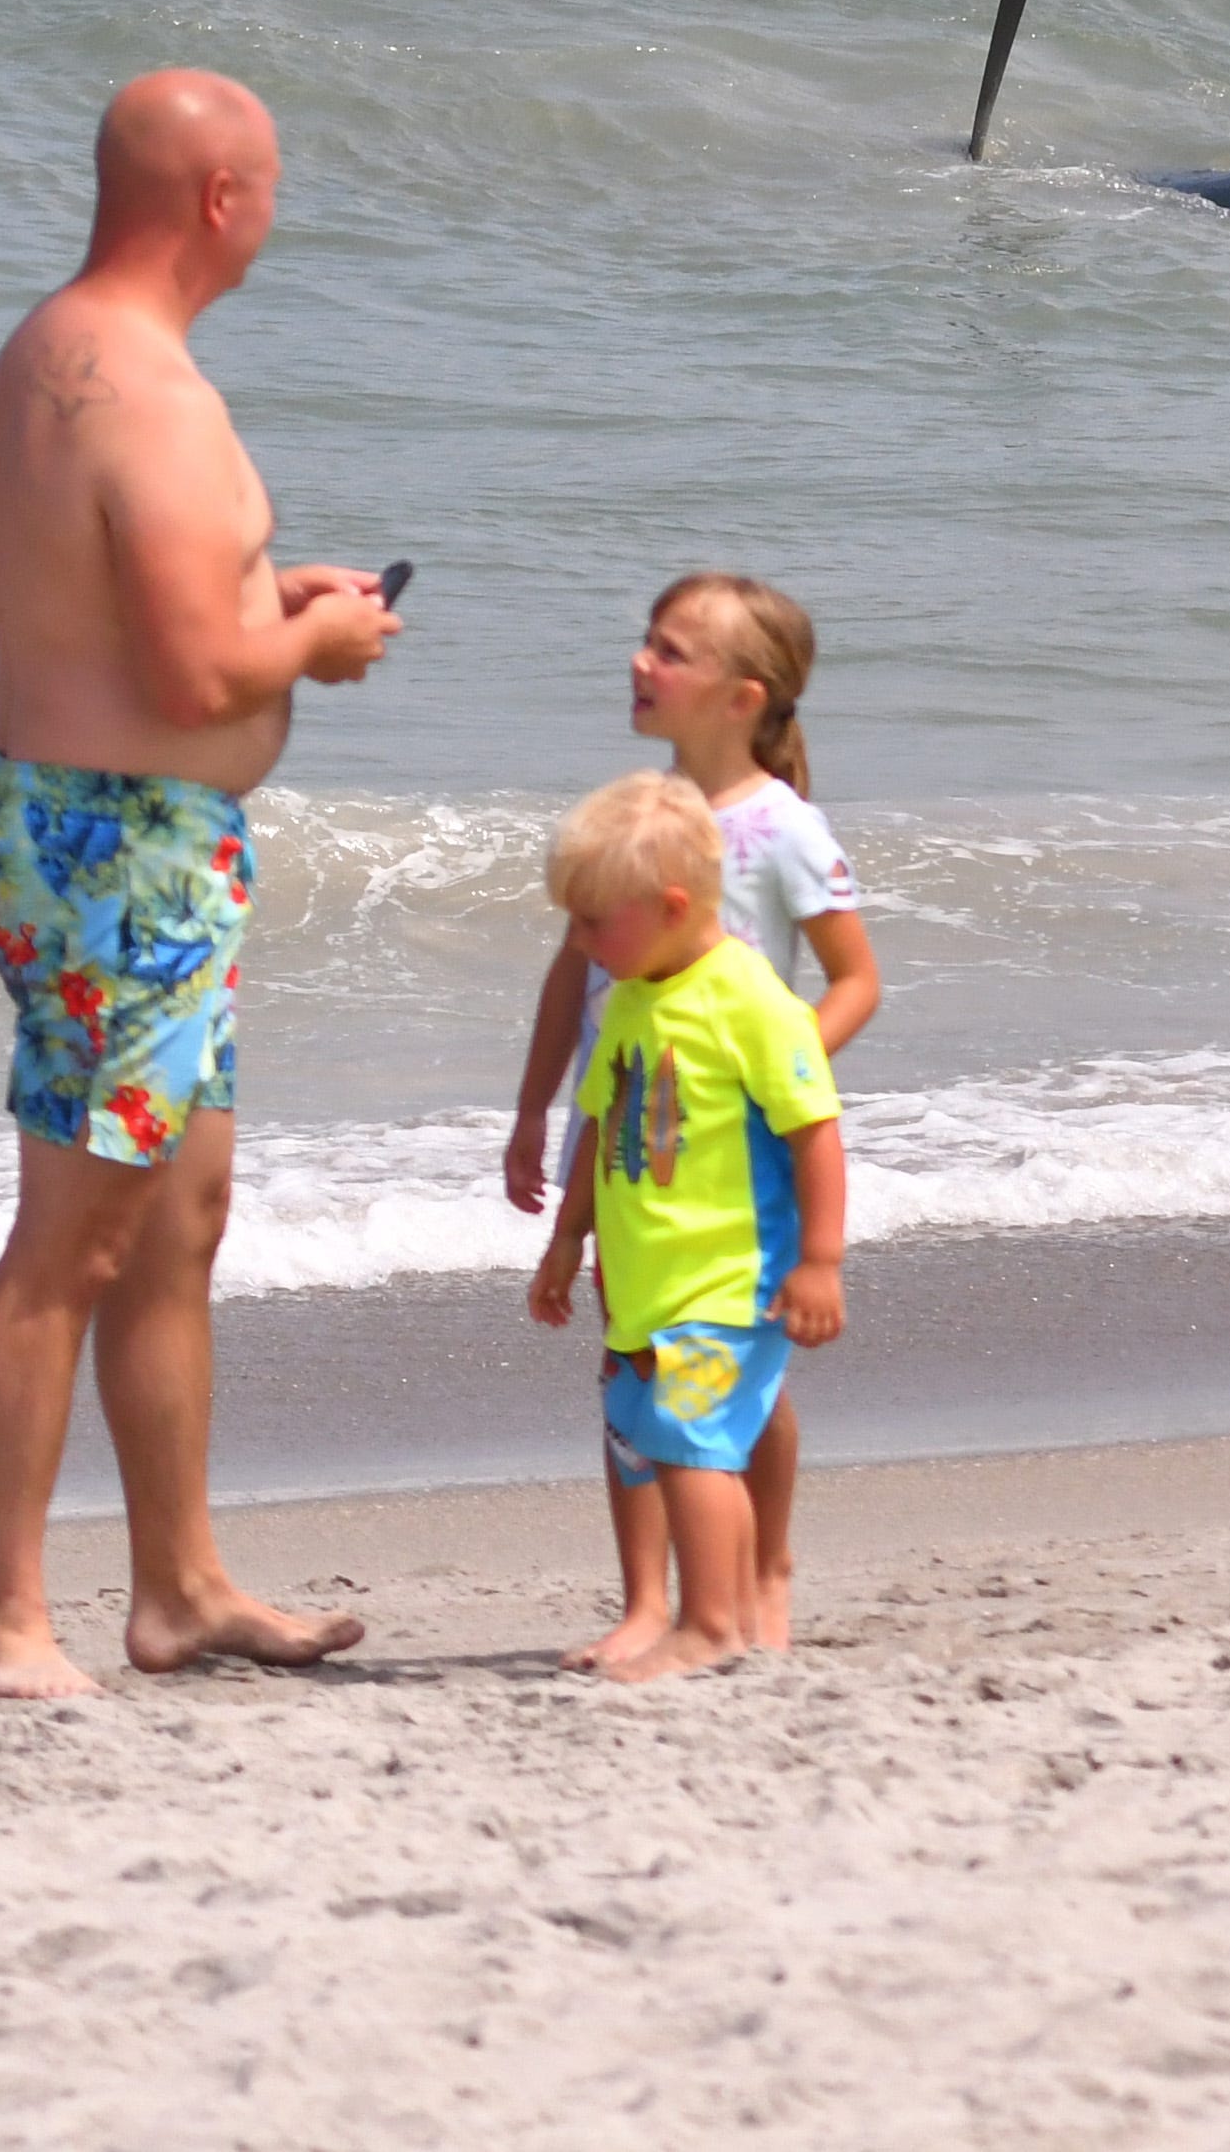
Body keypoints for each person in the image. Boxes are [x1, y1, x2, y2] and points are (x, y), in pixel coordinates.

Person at [0, 71, 401, 1701]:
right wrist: (318, 638)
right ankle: (10, 1620)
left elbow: (134, 600)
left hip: (109, 837)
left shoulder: (48, 356)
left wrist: (258, 586)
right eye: (271, 186)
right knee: (73, 1239)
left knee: (175, 1225)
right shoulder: (147, 393)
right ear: (223, 201)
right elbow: (202, 671)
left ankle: (180, 1586)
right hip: (117, 851)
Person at [504, 575, 876, 1663]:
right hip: (618, 1124)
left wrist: (774, 1075)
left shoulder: (782, 826)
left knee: (727, 1373)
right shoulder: (633, 821)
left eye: (670, 650)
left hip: (727, 1134)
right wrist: (534, 1110)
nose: (640, 661)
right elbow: (570, 977)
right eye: (645, 642)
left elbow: (856, 979)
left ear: (739, 696)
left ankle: (759, 1568)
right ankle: (645, 1600)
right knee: (633, 1362)